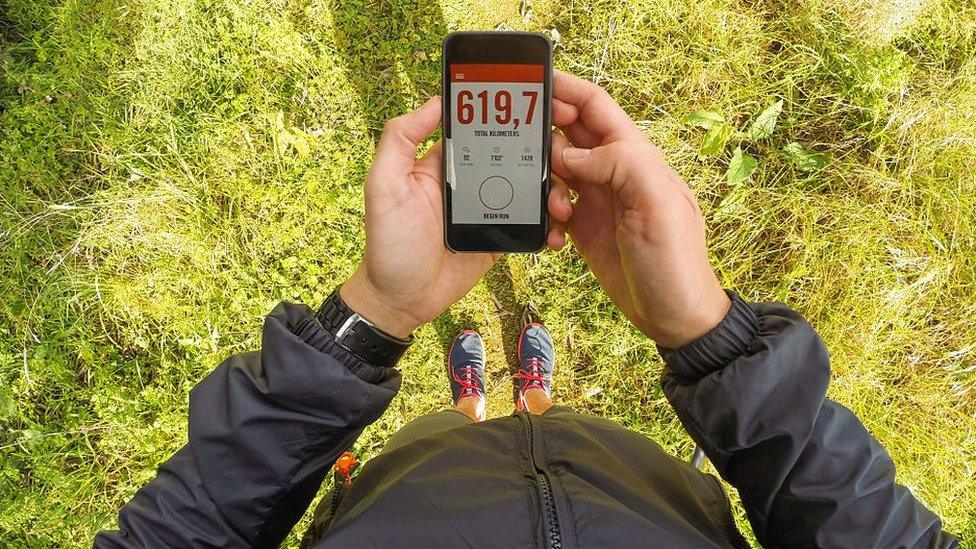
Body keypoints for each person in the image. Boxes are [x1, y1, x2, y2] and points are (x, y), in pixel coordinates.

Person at [95, 71, 958, 548]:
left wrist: (374, 313)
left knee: (445, 432)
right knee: (551, 421)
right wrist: (706, 333)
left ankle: (470, 401)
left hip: (418, 478)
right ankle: (530, 393)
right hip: (625, 478)